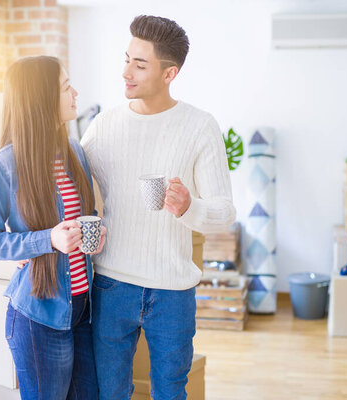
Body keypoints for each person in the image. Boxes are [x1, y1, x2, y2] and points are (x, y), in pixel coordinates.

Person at [80, 15, 236, 400]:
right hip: (112, 284)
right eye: (127, 59)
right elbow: (69, 188)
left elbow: (224, 213)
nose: (126, 72)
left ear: (170, 74)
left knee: (170, 392)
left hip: (172, 291)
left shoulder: (199, 127)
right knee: (111, 393)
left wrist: (188, 208)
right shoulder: (104, 126)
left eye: (140, 64)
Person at [0, 56, 105, 400]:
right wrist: (47, 240)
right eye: (65, 87)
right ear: (41, 98)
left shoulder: (74, 151)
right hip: (38, 318)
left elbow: (83, 215)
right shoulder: (4, 164)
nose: (75, 92)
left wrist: (96, 233)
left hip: (82, 309)